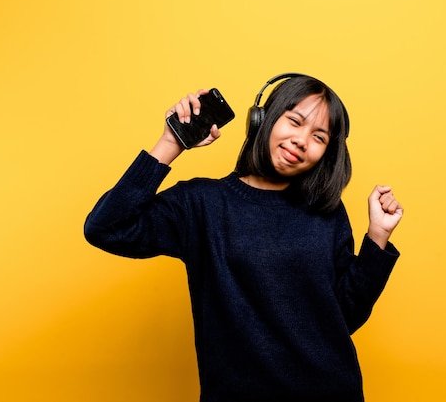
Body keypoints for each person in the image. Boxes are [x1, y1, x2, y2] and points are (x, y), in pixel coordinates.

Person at [84, 74, 403, 402]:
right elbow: (106, 228)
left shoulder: (327, 212)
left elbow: (344, 318)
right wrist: (170, 143)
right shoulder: (204, 204)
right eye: (294, 121)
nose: (301, 140)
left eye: (319, 137)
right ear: (262, 119)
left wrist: (376, 239)